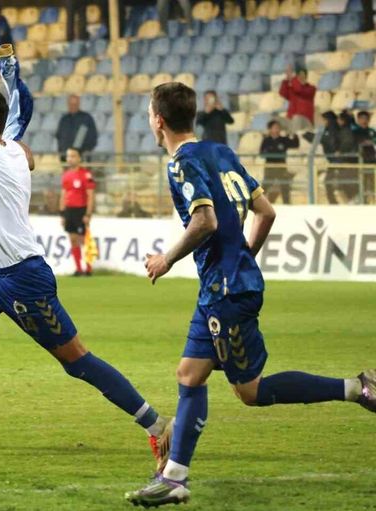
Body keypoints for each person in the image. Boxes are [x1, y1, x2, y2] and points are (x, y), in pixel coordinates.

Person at [125, 82, 376, 507]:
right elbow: (266, 211)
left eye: (150, 114)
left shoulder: (181, 163)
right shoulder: (220, 152)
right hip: (222, 287)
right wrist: (242, 257)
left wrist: (166, 260)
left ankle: (357, 388)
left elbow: (204, 220)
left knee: (251, 391)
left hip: (225, 292)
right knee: (189, 374)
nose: (150, 120)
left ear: (159, 121)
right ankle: (174, 478)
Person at [0, 47, 169, 460]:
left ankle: (157, 425)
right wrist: (10, 86)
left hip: (23, 279)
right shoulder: (20, 151)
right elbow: (19, 139)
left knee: (77, 360)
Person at [59, 147, 94, 276]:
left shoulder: (86, 175)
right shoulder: (66, 175)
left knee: (84, 240)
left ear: (79, 158)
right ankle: (78, 269)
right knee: (73, 239)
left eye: (73, 156)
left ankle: (88, 268)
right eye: (68, 156)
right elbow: (63, 195)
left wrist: (88, 213)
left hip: (81, 210)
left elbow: (90, 196)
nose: (70, 159)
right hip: (69, 210)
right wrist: (62, 214)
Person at [259, 120, 299, 204]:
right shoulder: (266, 140)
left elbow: (295, 144)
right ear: (270, 129)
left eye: (278, 128)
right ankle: (258, 204)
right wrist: (270, 154)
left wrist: (294, 135)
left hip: (281, 167)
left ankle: (287, 205)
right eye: (275, 128)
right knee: (265, 186)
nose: (277, 130)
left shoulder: (283, 139)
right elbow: (261, 154)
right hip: (270, 167)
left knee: (285, 187)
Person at [279, 65, 316, 133]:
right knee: (275, 119)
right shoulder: (293, 89)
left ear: (306, 76)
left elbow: (299, 90)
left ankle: (293, 137)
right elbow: (282, 93)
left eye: (302, 75)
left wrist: (292, 79)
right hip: (292, 120)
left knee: (297, 118)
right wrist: (287, 80)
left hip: (306, 121)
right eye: (299, 75)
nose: (301, 77)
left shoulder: (311, 89)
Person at [352, 111, 376, 204]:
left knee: (372, 181)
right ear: (358, 120)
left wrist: (370, 142)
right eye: (362, 118)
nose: (364, 121)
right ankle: (363, 201)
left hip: (372, 160)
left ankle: (373, 200)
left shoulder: (372, 131)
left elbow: (373, 140)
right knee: (362, 182)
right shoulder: (355, 132)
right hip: (360, 160)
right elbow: (355, 143)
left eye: (366, 118)